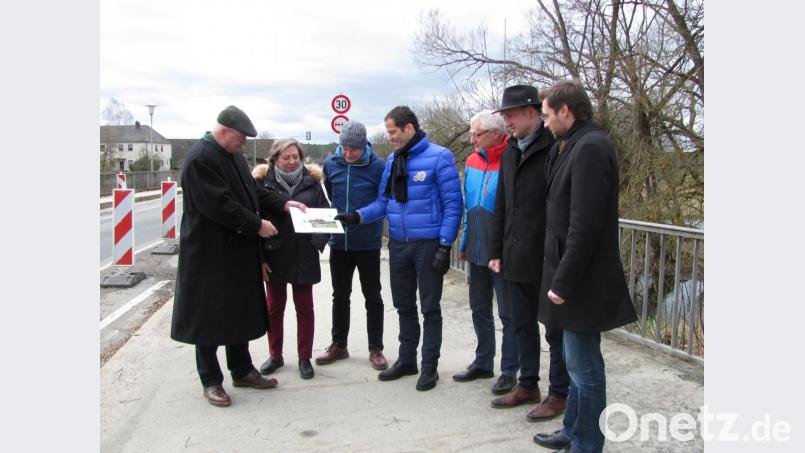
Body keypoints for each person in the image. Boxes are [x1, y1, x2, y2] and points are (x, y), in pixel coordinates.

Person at [170, 105, 307, 407]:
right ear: (224, 131)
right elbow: (220, 206)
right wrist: (258, 225)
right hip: (209, 254)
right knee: (207, 317)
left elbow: (252, 194)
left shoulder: (232, 155)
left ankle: (242, 369)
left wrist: (284, 204)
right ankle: (211, 380)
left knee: (237, 311)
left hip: (235, 252)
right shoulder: (200, 159)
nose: (244, 143)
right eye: (241, 137)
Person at [532, 80, 637, 453]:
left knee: (585, 369)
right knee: (575, 365)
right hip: (571, 275)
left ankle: (587, 443)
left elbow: (585, 225)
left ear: (565, 110)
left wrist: (563, 282)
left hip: (582, 280)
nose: (543, 123)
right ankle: (574, 430)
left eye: (546, 115)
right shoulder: (571, 144)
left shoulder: (591, 147)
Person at [335, 106, 463, 391]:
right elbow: (384, 202)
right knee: (404, 305)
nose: (389, 137)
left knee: (430, 308)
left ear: (409, 128)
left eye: (392, 131)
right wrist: (357, 216)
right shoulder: (393, 160)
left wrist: (445, 244)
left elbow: (454, 205)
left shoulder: (440, 157)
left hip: (428, 244)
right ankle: (407, 360)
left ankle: (429, 366)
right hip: (399, 244)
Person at [487, 85, 571, 422]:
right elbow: (501, 205)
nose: (506, 121)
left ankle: (559, 394)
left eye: (511, 114)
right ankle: (528, 384)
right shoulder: (510, 152)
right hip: (515, 253)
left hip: (547, 255)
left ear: (532, 113)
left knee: (554, 328)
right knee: (521, 324)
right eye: (504, 116)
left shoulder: (555, 147)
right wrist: (495, 249)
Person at [452, 110, 519, 396]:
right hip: (477, 248)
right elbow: (470, 208)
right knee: (479, 308)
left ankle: (509, 369)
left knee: (508, 314)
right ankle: (483, 361)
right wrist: (465, 243)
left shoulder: (512, 158)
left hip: (502, 252)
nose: (472, 139)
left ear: (496, 134)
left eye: (476, 134)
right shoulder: (471, 161)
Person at [254, 139, 330, 380]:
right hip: (274, 254)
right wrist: (260, 258)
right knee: (274, 308)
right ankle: (275, 355)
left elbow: (326, 217)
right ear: (275, 159)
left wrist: (316, 243)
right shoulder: (262, 184)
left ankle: (304, 357)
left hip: (303, 254)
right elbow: (255, 221)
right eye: (286, 157)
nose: (291, 161)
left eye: (295, 156)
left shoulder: (313, 184)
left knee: (305, 308)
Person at [316, 121, 388, 370]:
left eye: (353, 150)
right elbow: (328, 193)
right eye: (344, 148)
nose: (348, 154)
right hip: (339, 243)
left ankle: (376, 348)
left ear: (364, 146)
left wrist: (357, 215)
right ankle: (339, 345)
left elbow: (383, 202)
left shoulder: (378, 167)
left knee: (373, 297)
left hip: (367, 242)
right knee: (340, 296)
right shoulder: (330, 164)